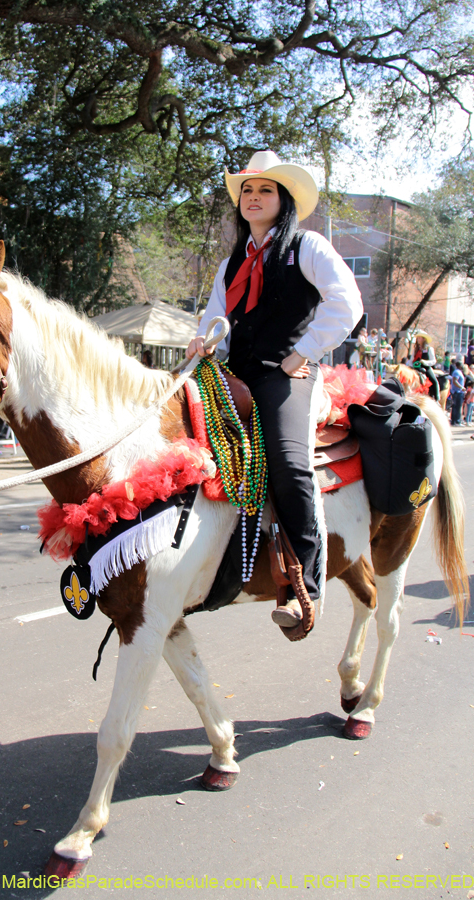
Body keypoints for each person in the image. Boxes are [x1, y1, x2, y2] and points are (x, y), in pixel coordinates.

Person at [186, 150, 362, 631]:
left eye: (264, 190)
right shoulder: (230, 265)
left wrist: (302, 353)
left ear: (283, 201)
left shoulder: (309, 247)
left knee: (288, 459)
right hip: (232, 376)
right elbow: (214, 321)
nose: (254, 197)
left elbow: (346, 302)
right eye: (247, 190)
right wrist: (203, 342)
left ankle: (306, 579)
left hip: (284, 376)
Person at [449, 356, 466, 425]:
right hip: (457, 392)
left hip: (458, 392)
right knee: (457, 407)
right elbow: (455, 381)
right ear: (460, 365)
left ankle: (454, 420)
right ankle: (457, 421)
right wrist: (461, 387)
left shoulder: (459, 372)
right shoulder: (456, 372)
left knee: (456, 406)